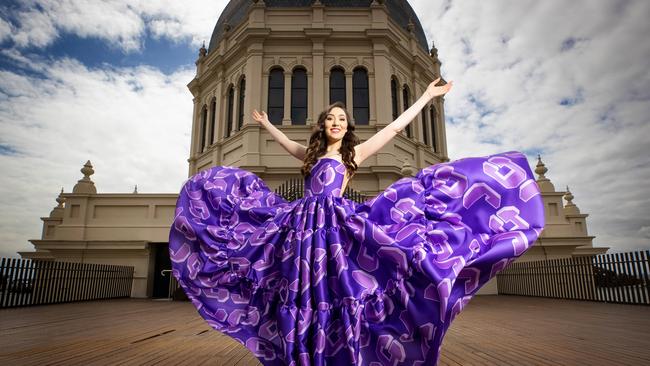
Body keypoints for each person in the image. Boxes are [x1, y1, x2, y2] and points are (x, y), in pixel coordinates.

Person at [169, 77, 545, 366]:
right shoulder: (311, 154)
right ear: (322, 125)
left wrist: (427, 98)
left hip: (334, 225)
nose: (336, 122)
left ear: (348, 127)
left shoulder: (353, 154)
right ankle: (302, 349)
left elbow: (394, 129)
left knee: (340, 289)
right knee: (300, 291)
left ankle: (341, 351)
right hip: (302, 227)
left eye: (342, 119)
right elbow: (287, 144)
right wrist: (267, 124)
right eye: (330, 118)